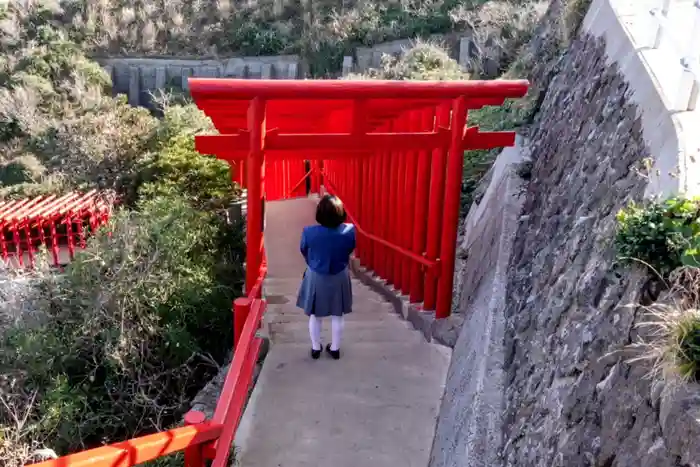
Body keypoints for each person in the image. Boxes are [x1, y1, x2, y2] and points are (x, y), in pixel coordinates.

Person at [296, 194, 356, 360]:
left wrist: (314, 262)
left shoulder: (309, 232)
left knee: (316, 314)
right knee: (338, 314)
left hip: (316, 274)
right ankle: (335, 348)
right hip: (340, 274)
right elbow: (349, 249)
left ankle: (316, 348)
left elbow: (304, 249)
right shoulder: (349, 231)